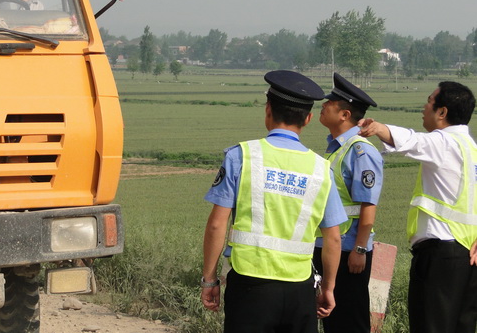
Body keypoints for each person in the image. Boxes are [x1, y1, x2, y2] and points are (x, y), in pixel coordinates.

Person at [201, 70, 347, 333]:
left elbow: (216, 225)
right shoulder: (321, 169)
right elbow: (333, 239)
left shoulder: (241, 156)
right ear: (308, 119)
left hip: (250, 286)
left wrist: (209, 280)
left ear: (268, 110)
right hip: (300, 288)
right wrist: (328, 288)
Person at [359, 81, 477, 333]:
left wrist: (378, 128)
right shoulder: (471, 148)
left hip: (440, 255)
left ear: (442, 112)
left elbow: (413, 141)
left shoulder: (444, 142)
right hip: (467, 257)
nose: (424, 107)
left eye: (429, 101)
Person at [312, 72, 383, 333]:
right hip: (330, 246)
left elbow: (368, 205)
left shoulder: (360, 151)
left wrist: (360, 249)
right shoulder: (337, 148)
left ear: (344, 114)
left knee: (350, 320)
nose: (322, 106)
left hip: (348, 249)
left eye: (329, 104)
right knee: (333, 321)